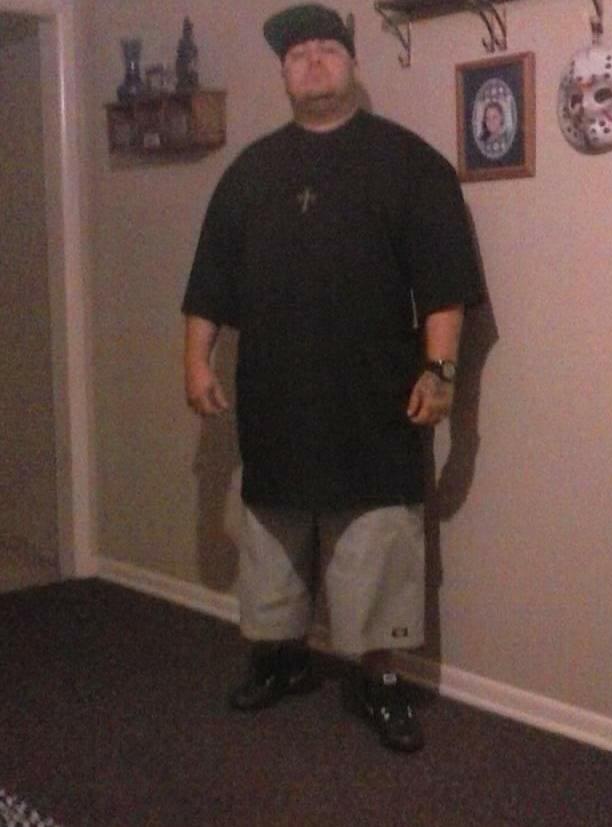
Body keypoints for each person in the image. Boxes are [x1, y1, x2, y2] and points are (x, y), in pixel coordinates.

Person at [182, 3, 481, 753]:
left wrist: (441, 371)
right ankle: (279, 659)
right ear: (284, 75)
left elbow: (444, 287)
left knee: (376, 547)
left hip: (374, 404)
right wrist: (195, 360)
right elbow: (210, 281)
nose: (312, 61)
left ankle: (381, 681)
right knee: (272, 546)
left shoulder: (409, 165)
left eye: (327, 49)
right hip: (275, 403)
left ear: (352, 63)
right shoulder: (250, 173)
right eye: (297, 55)